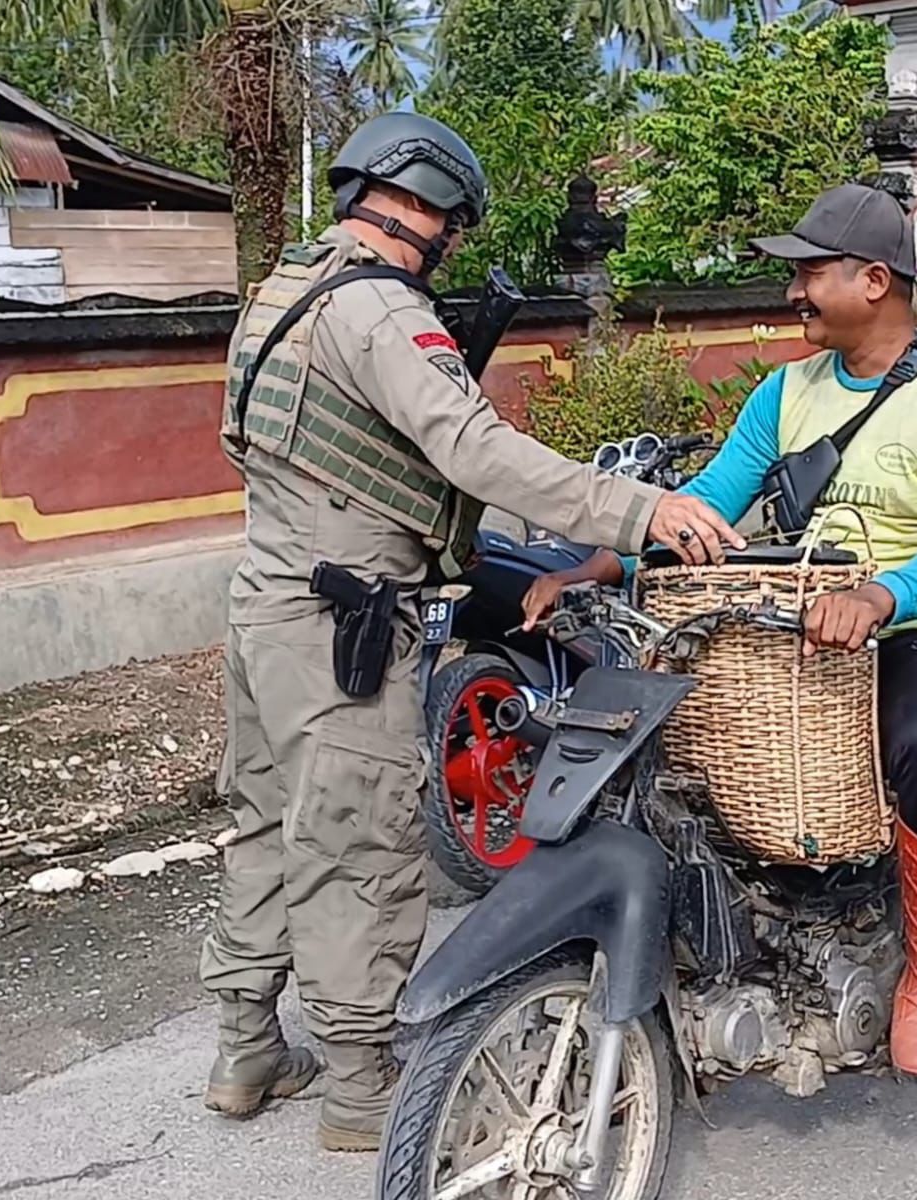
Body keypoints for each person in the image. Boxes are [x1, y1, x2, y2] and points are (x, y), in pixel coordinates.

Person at [197, 111, 741, 1152]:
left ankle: (245, 1045)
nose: (452, 244)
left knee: (268, 822)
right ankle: (362, 1090)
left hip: (265, 600)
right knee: (356, 838)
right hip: (341, 620)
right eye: (453, 224)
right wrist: (637, 515)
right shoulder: (380, 315)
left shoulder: (284, 292)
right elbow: (474, 450)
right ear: (430, 207)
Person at [522, 183, 917, 1080]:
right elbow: (706, 508)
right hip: (770, 629)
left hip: (904, 633)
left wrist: (880, 597)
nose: (793, 291)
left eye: (809, 272)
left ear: (874, 280)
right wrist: (596, 565)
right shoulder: (786, 391)